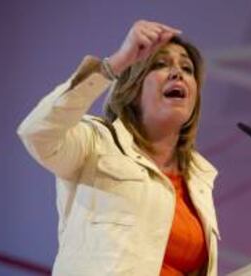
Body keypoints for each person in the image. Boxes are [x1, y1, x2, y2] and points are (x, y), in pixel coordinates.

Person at [17, 20, 220, 276]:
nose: (178, 73)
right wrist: (115, 63)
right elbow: (36, 133)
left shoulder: (199, 177)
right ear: (133, 89)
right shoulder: (96, 142)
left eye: (187, 68)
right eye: (160, 64)